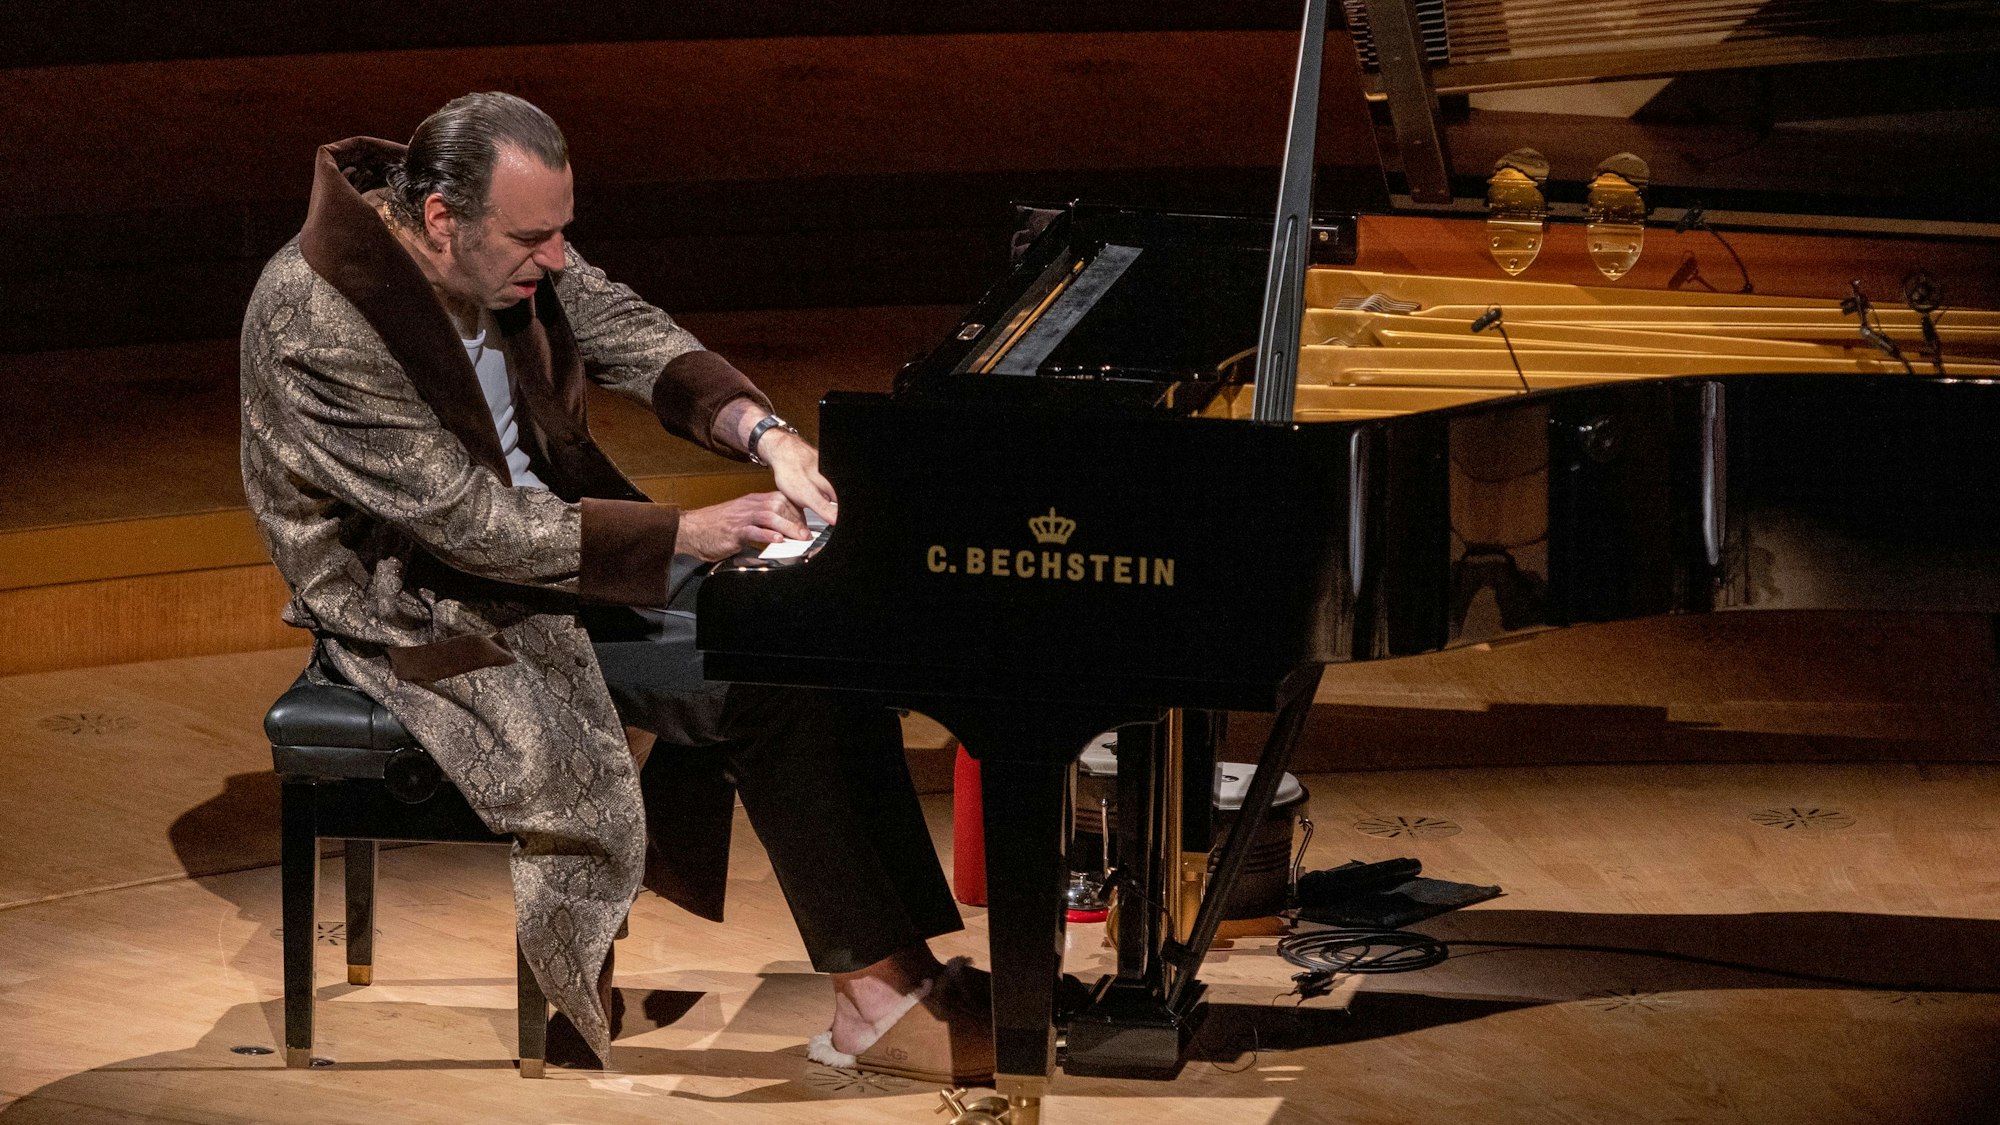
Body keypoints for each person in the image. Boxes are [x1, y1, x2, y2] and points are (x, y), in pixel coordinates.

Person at [240, 91, 988, 1082]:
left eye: (562, 233)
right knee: (761, 682)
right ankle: (873, 999)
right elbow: (468, 526)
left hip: (553, 565)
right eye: (534, 239)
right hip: (422, 608)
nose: (555, 259)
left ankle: (900, 970)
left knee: (809, 631)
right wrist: (686, 532)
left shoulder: (500, 243)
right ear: (436, 219)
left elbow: (626, 328)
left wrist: (769, 439)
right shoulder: (316, 315)